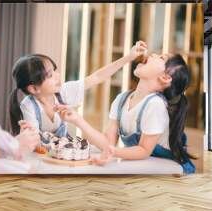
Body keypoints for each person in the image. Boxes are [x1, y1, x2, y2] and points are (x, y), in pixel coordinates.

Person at [57, 54, 195, 174]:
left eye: (161, 57)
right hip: (149, 166)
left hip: (172, 171)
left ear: (165, 78)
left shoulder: (156, 105)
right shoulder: (122, 99)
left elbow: (143, 151)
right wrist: (78, 121)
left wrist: (113, 151)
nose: (153, 54)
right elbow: (107, 142)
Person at [8, 41, 148, 139]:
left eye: (55, 71)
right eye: (50, 75)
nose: (58, 76)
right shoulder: (28, 106)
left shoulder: (63, 92)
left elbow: (97, 77)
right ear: (33, 88)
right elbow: (34, 143)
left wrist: (129, 57)